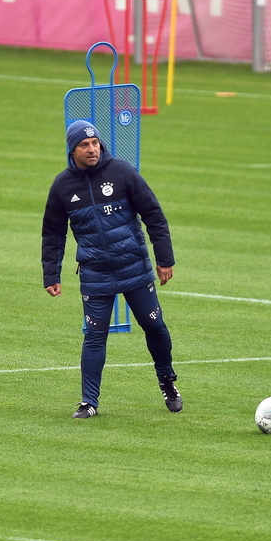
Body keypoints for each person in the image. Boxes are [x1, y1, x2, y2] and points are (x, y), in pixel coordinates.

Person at [41, 120, 181, 419]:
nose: (92, 149)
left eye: (95, 143)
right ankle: (89, 402)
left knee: (154, 326)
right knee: (94, 336)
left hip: (134, 267)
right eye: (84, 145)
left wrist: (164, 258)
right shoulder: (62, 186)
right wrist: (51, 274)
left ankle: (168, 382)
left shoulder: (122, 171)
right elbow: (52, 233)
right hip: (95, 274)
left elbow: (153, 214)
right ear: (72, 150)